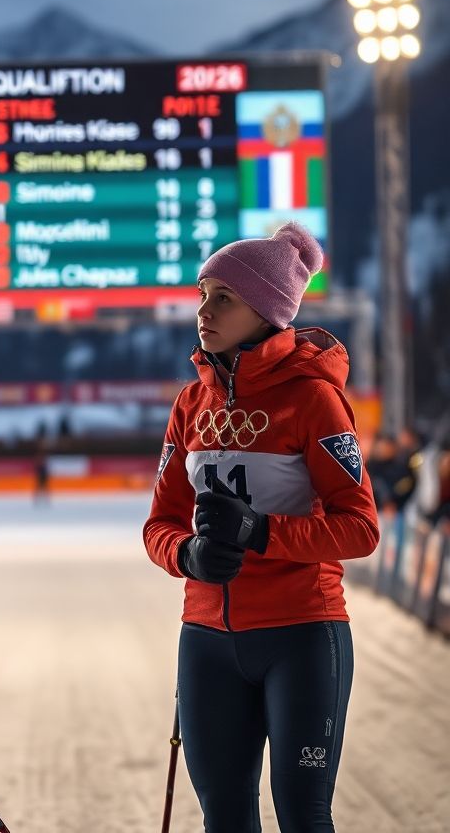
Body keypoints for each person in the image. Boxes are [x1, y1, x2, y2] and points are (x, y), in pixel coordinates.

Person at [143, 222, 380, 833]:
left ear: (268, 308)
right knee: (225, 820)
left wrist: (263, 533)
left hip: (301, 634)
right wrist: (187, 555)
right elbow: (159, 526)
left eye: (224, 297)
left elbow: (359, 529)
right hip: (206, 640)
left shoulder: (313, 399)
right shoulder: (189, 404)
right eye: (202, 293)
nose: (204, 310)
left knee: (304, 816)